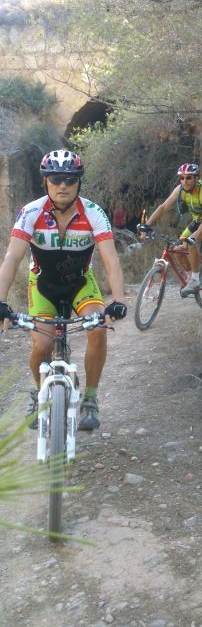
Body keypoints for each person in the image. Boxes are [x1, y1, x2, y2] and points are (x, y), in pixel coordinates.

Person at [0, 149, 127, 431]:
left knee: (97, 329)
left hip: (80, 283)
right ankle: (38, 393)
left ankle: (91, 400)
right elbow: (11, 258)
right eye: (56, 179)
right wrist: (1, 301)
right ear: (45, 181)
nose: (63, 186)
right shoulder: (31, 212)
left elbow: (111, 259)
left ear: (78, 182)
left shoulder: (94, 213)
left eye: (70, 180)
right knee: (42, 346)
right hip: (42, 284)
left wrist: (117, 300)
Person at [141, 163, 202, 296]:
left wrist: (194, 237)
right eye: (182, 178)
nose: (185, 181)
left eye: (189, 178)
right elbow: (163, 207)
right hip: (197, 221)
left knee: (192, 243)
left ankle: (195, 280)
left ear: (196, 178)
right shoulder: (180, 189)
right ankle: (190, 276)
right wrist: (148, 224)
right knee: (178, 249)